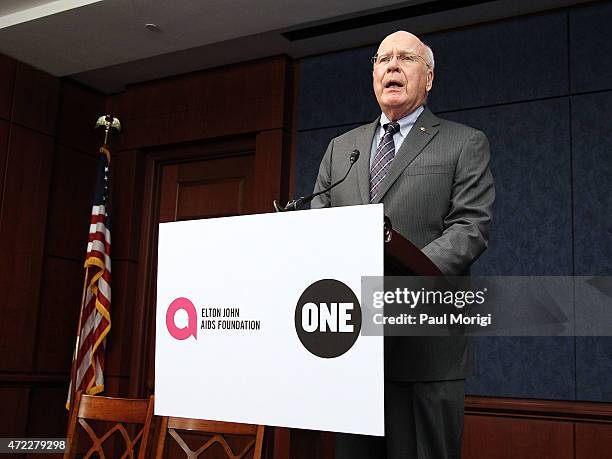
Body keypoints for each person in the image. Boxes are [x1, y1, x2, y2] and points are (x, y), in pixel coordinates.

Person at [311, 31, 495, 459]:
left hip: (426, 352)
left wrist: (404, 281)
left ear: (428, 77)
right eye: (383, 59)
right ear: (374, 74)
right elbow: (317, 228)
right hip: (351, 353)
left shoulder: (463, 142)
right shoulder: (342, 149)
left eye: (406, 58)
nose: (392, 66)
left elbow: (471, 227)